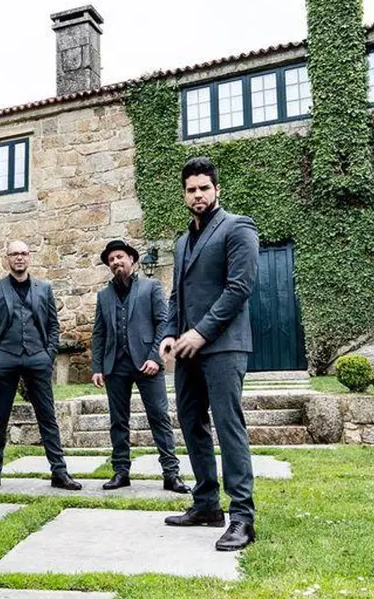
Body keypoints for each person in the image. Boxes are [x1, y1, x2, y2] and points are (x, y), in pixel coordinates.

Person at [158, 156, 260, 552]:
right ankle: (205, 505)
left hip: (224, 346)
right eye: (191, 189)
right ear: (184, 194)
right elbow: (176, 296)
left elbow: (239, 288)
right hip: (186, 351)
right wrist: (170, 333)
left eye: (204, 188)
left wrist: (200, 332)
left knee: (228, 424)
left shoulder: (238, 227)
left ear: (217, 189)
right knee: (191, 423)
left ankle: (242, 517)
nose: (197, 194)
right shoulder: (182, 241)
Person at [0, 240, 82, 492]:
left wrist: (49, 354)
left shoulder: (43, 288)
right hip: (5, 357)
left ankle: (59, 472)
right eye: (14, 254)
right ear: (7, 258)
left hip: (37, 357)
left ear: (29, 257)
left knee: (47, 416)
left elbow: (53, 324)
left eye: (24, 253)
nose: (19, 257)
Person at [90, 239, 190, 495]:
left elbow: (164, 323)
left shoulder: (151, 287)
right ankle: (121, 472)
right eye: (111, 260)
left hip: (148, 363)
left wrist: (156, 358)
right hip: (115, 366)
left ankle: (171, 474)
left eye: (120, 257)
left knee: (159, 417)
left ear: (132, 259)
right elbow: (99, 333)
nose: (116, 262)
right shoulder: (103, 296)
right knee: (118, 421)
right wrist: (97, 366)